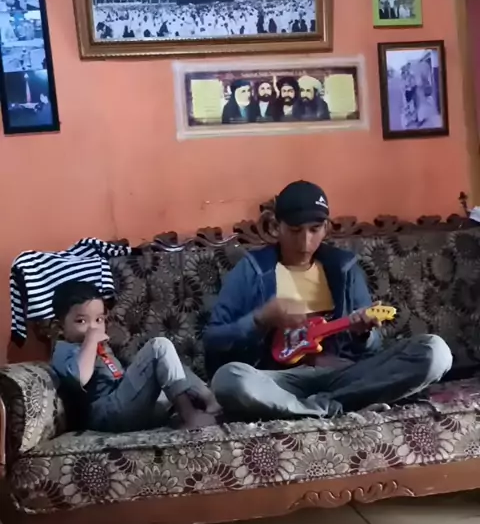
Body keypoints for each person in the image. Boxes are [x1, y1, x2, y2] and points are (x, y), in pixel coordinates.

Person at [204, 181, 452, 421]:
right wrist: (260, 319)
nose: (305, 241)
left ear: (326, 228)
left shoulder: (344, 269)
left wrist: (363, 335)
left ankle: (310, 409)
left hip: (345, 376)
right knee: (229, 379)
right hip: (280, 382)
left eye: (314, 230)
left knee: (435, 351)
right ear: (276, 227)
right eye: (295, 230)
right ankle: (337, 406)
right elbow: (213, 340)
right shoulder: (253, 271)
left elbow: (372, 350)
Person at [51, 281, 219, 433]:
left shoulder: (100, 347)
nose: (93, 327)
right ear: (60, 327)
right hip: (104, 415)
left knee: (171, 366)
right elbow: (79, 378)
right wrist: (91, 341)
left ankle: (212, 401)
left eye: (99, 320)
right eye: (81, 321)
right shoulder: (64, 349)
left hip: (126, 405)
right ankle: (189, 416)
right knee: (159, 347)